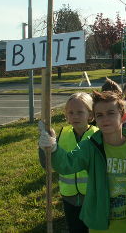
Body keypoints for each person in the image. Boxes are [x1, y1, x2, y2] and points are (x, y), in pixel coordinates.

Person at [38, 91, 126, 233]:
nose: (105, 118)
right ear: (95, 118)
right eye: (100, 115)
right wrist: (53, 148)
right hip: (100, 227)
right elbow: (67, 164)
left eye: (111, 113)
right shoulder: (92, 146)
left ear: (124, 116)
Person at [38, 92, 98, 233]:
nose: (74, 116)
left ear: (90, 115)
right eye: (70, 112)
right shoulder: (62, 134)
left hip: (92, 197)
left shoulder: (97, 135)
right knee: (75, 228)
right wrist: (44, 145)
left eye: (79, 112)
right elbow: (47, 164)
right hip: (69, 197)